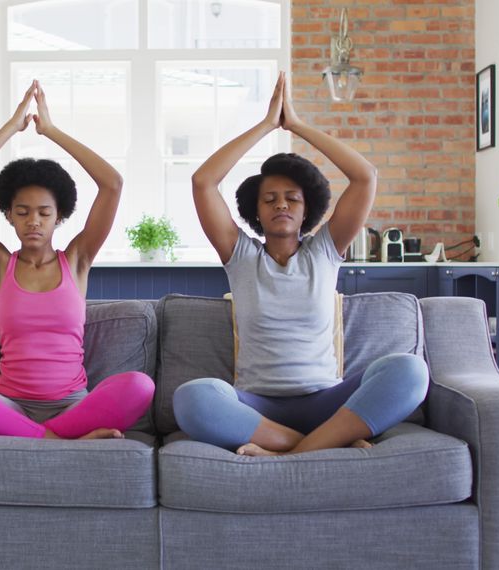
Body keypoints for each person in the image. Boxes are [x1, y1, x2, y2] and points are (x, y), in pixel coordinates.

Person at [173, 72, 429, 456]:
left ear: (306, 207)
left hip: (328, 404)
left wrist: (297, 124)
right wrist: (264, 126)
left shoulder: (325, 250)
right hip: (258, 408)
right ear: (255, 212)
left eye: (291, 198)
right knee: (192, 398)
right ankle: (317, 448)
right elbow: (203, 182)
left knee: (410, 370)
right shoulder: (240, 256)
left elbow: (364, 177)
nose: (280, 205)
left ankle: (291, 451)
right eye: (270, 199)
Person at [0, 80, 154, 440]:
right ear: (10, 216)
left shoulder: (77, 260)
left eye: (44, 213)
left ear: (59, 216)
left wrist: (51, 131)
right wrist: (12, 128)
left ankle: (33, 435)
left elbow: (112, 183)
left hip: (73, 404)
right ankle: (53, 438)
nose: (33, 221)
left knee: (139, 386)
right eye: (23, 212)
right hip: (9, 403)